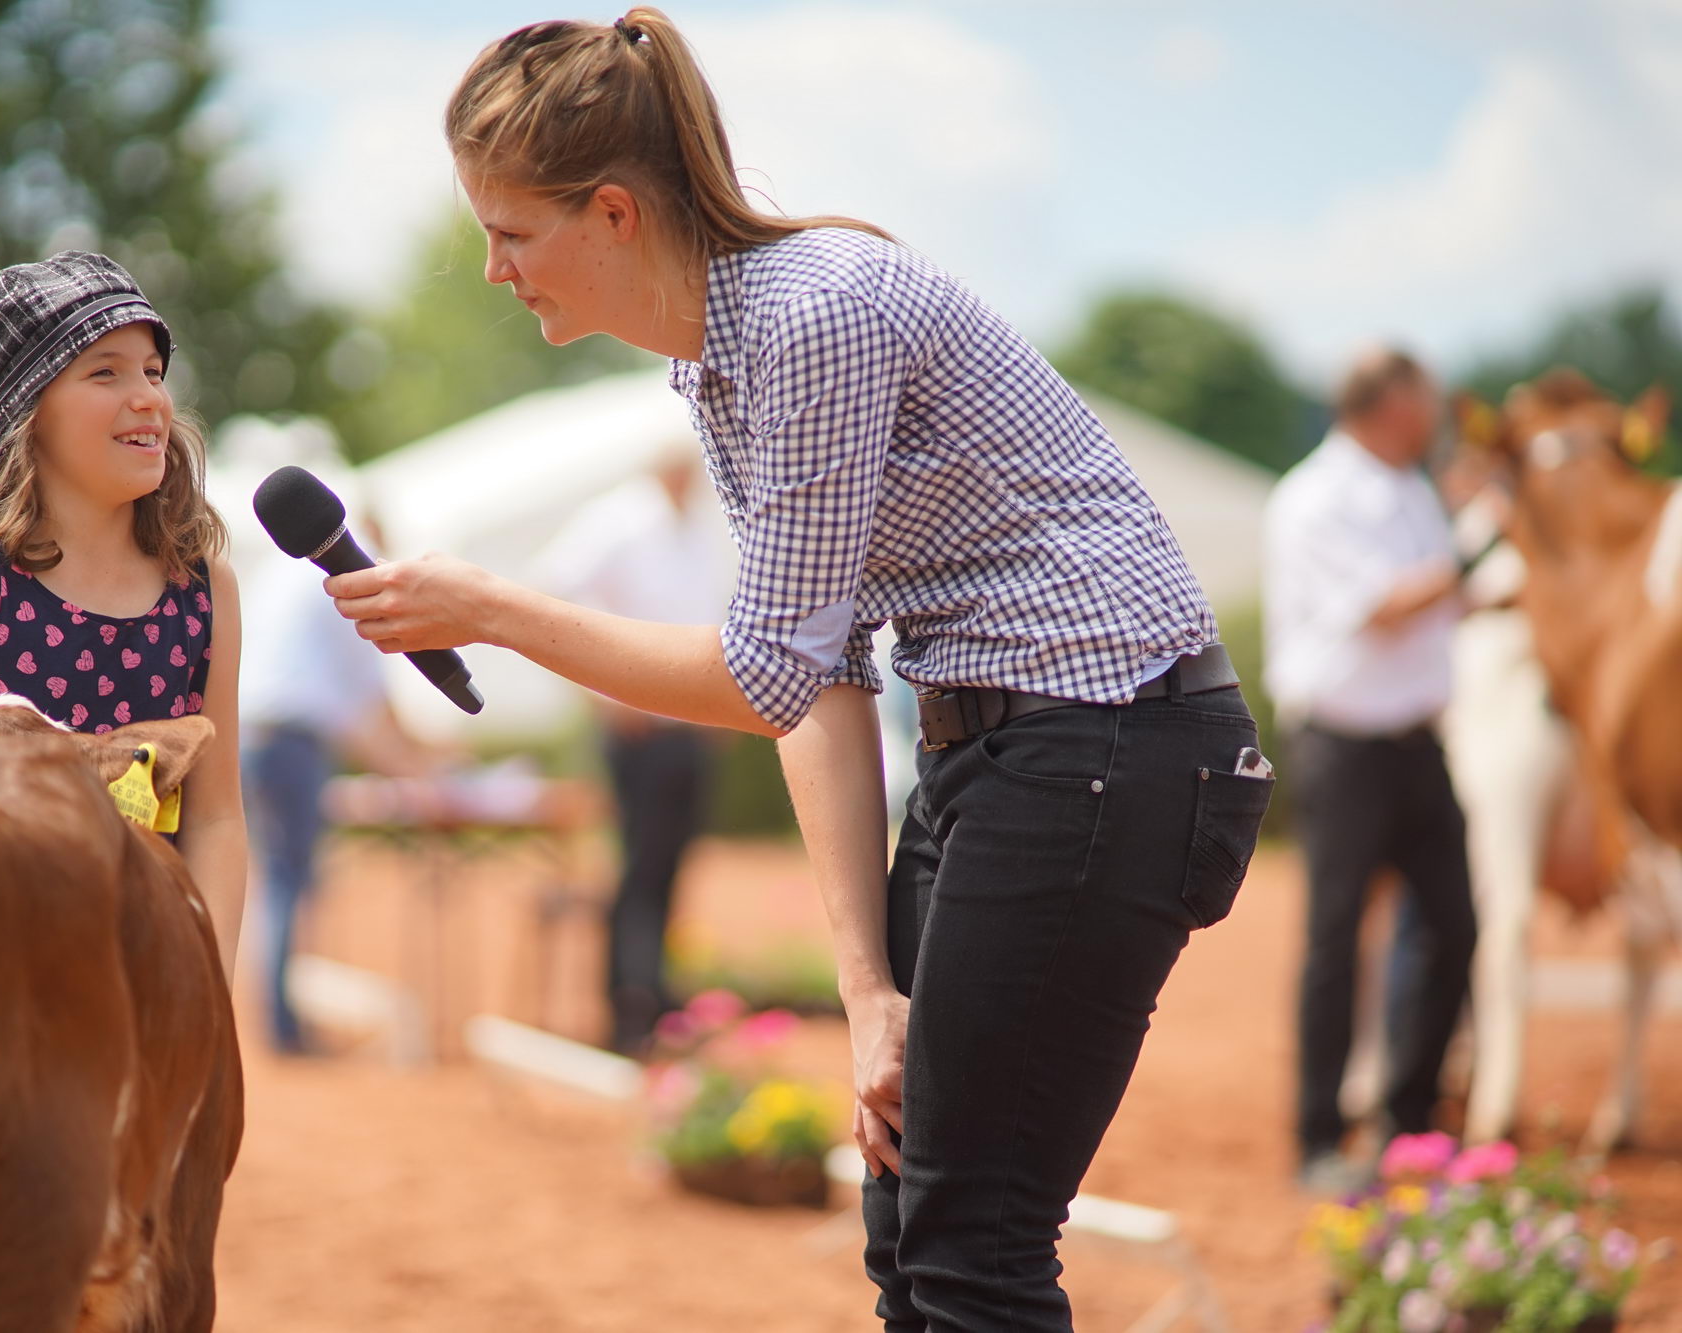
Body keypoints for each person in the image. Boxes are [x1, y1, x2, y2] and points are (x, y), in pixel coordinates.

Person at [325, 11, 1272, 1329]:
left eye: (510, 232)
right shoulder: (716, 363)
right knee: (907, 1226)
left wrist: (492, 609)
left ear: (611, 214)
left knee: (972, 1244)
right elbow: (820, 675)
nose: (493, 269)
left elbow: (761, 673)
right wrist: (865, 990)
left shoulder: (811, 316)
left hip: (1103, 744)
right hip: (1015, 751)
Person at [0, 251, 248, 981]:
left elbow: (215, 816)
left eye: (153, 372)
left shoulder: (204, 589)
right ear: (27, 412)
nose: (148, 398)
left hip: (146, 985)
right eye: (106, 372)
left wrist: (206, 990)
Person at [1262, 347, 1477, 1195]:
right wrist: (1488, 541)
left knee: (1454, 925)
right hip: (1343, 746)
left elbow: (1440, 600)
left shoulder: (1413, 489)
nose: (1435, 408)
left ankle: (1410, 1127)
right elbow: (1384, 607)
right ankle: (1318, 1137)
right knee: (1336, 936)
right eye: (1425, 393)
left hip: (1419, 742)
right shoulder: (1313, 498)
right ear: (1392, 402)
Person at [533, 446, 734, 1054]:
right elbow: (555, 586)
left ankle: (654, 996)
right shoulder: (619, 518)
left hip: (686, 723)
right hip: (640, 728)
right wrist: (603, 691)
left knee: (669, 863)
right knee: (641, 865)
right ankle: (627, 1005)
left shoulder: (697, 526)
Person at [240, 540, 439, 1054]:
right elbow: (370, 698)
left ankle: (281, 1017)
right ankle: (285, 1027)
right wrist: (417, 769)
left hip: (252, 734)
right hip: (293, 740)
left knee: (277, 876)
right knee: (289, 879)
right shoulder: (349, 579)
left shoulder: (281, 571)